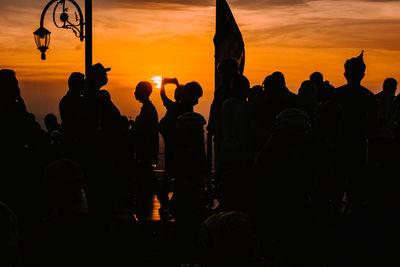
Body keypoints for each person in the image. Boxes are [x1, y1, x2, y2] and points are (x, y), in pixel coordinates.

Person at [133, 81, 160, 220]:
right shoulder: (148, 108)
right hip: (148, 151)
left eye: (137, 90)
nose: (135, 93)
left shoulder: (148, 109)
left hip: (145, 152)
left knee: (147, 180)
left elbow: (146, 132)